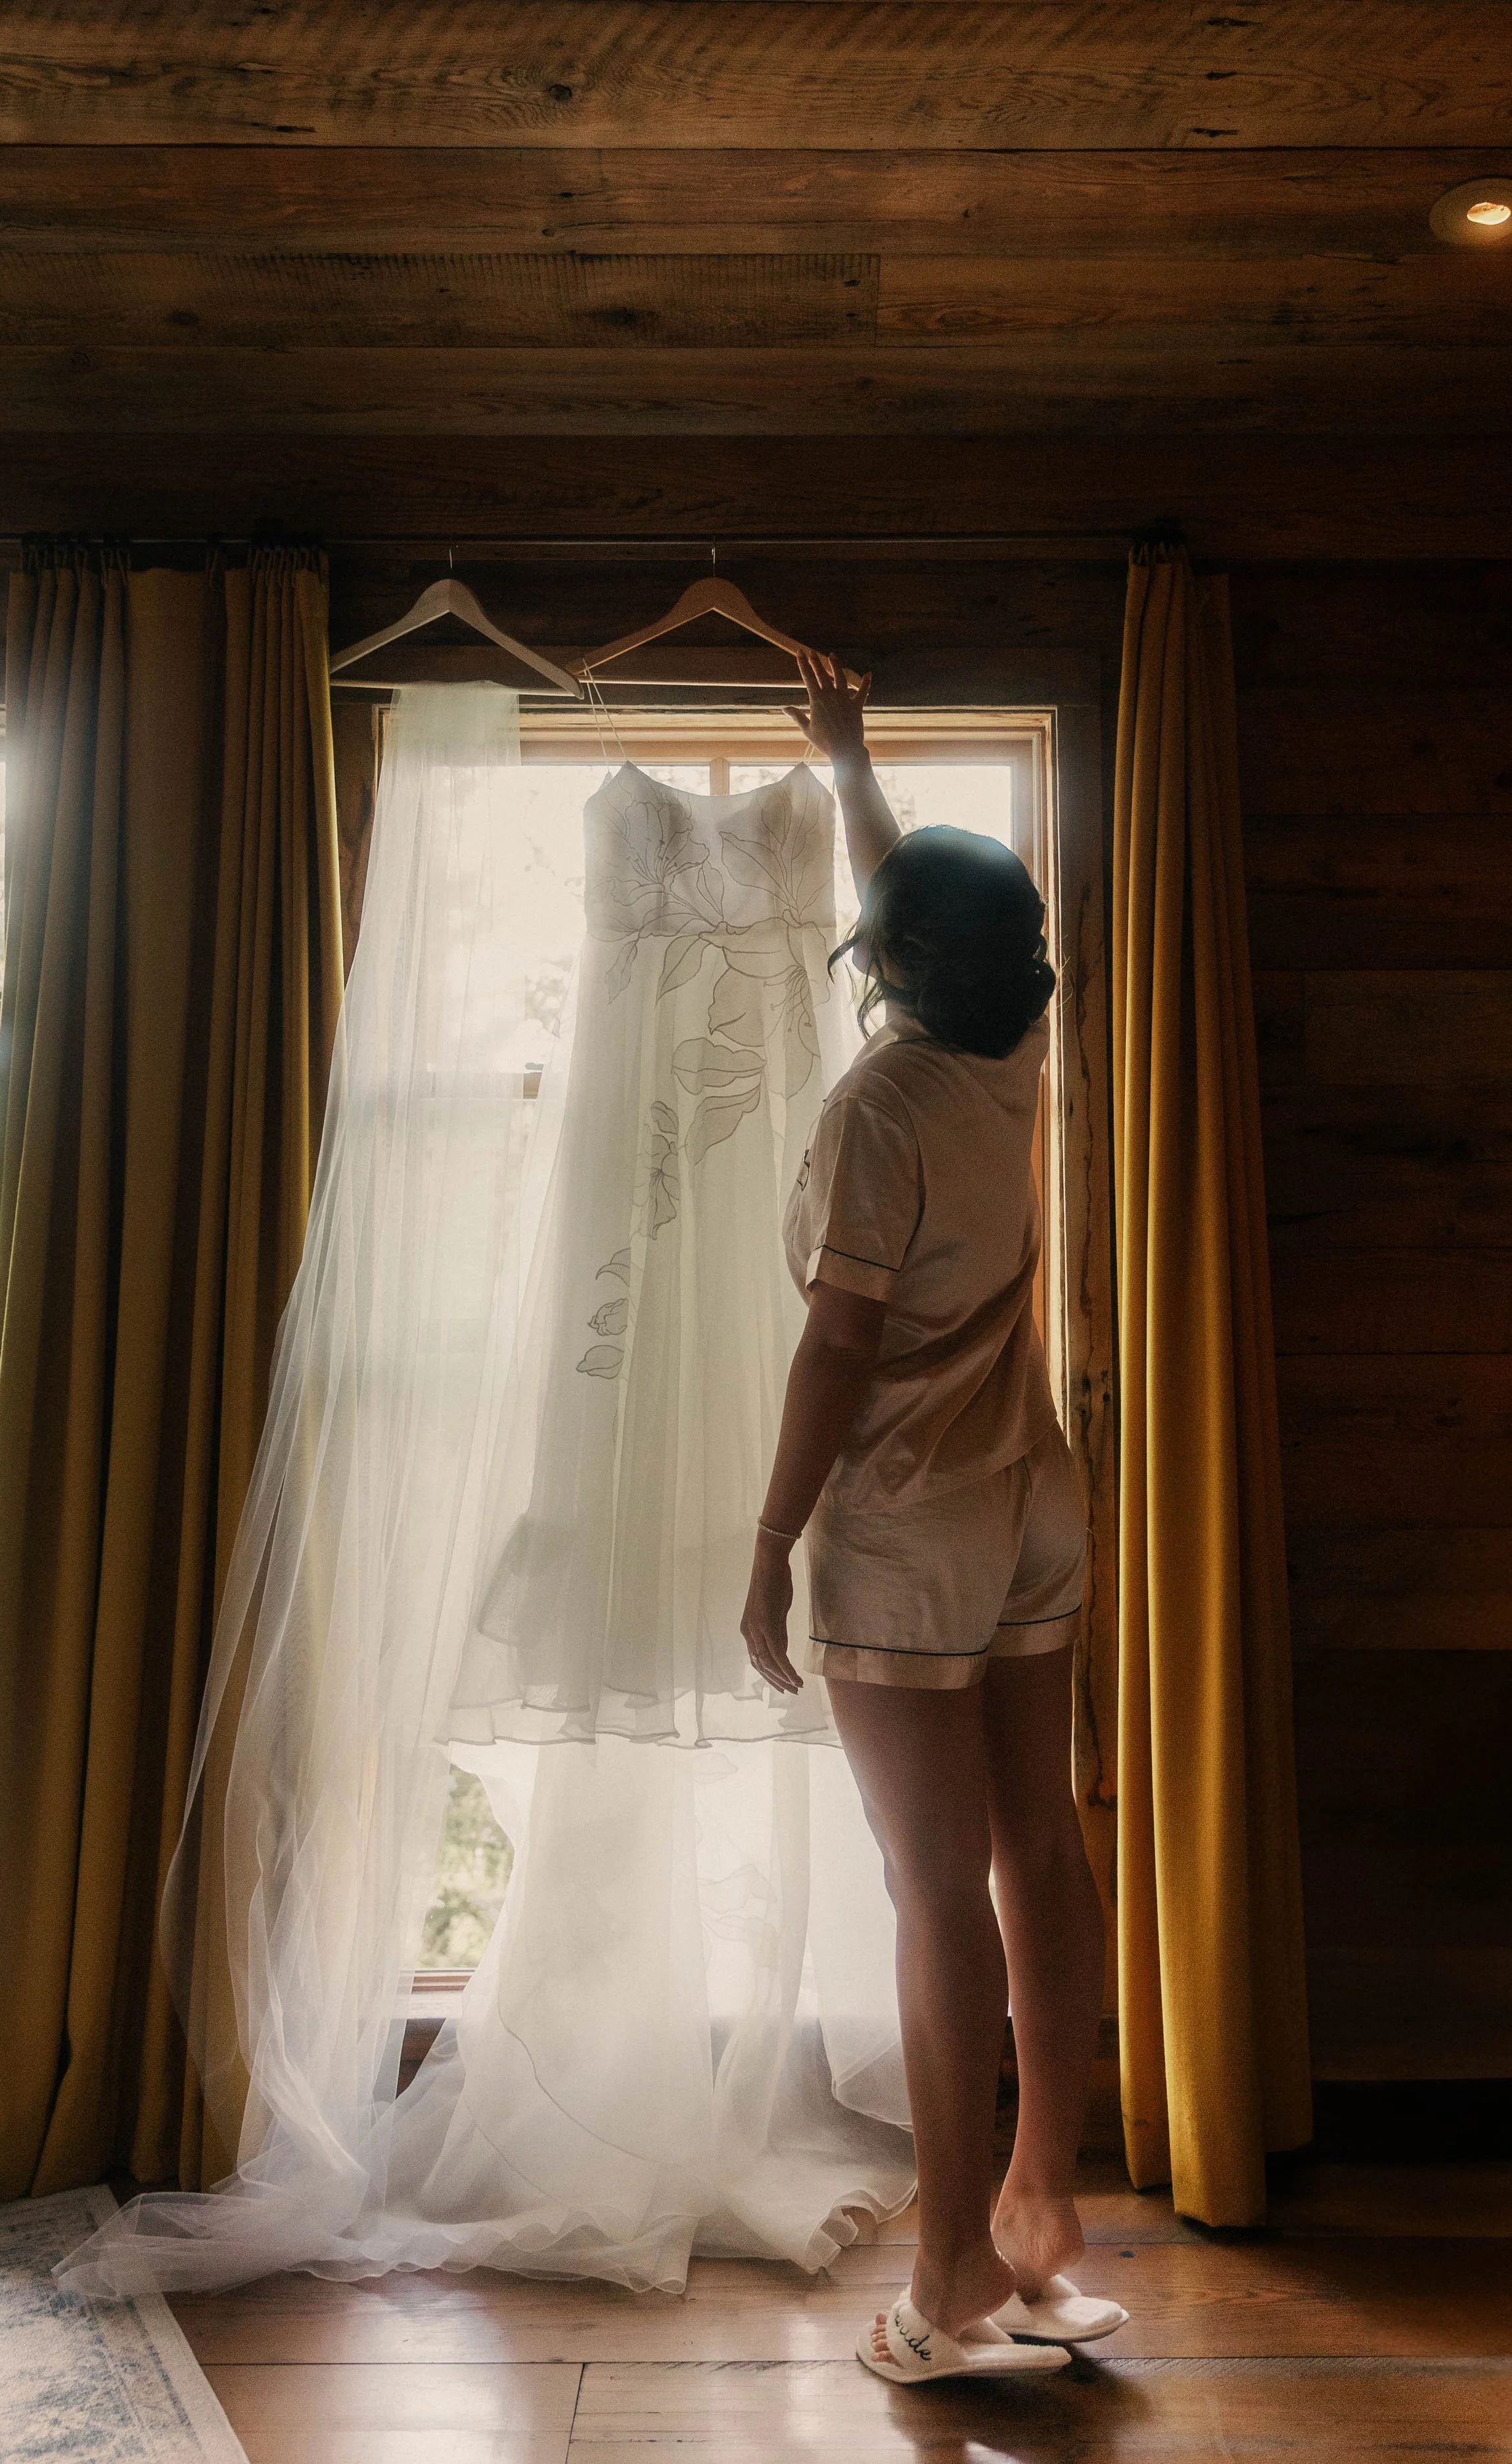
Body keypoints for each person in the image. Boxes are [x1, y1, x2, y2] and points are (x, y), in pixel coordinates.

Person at [740, 652, 1125, 2385]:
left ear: (881, 964)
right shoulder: (1012, 1044)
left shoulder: (873, 1105)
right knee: (1033, 1838)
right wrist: (852, 771)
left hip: (905, 1519)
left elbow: (835, 1343)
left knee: (927, 1882)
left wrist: (763, 1550)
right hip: (1034, 1494)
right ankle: (1040, 2205)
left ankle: (947, 2264)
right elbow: (932, 925)